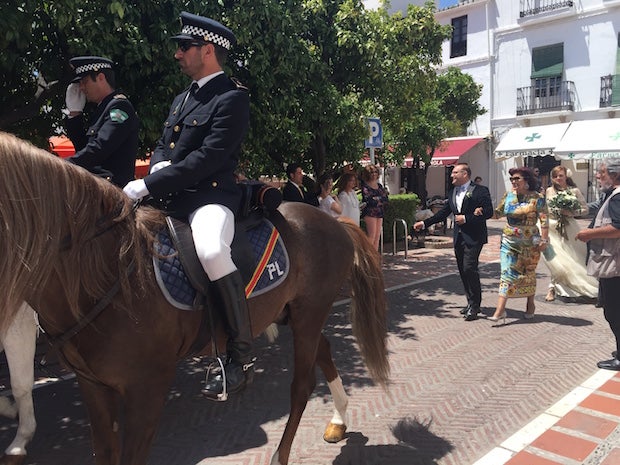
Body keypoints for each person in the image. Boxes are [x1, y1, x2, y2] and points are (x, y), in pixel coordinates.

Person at [122, 12, 252, 400]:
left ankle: (240, 357)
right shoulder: (183, 98)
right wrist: (159, 161)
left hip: (209, 197)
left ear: (207, 50)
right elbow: (166, 144)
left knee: (212, 250)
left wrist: (148, 182)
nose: (177, 55)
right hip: (172, 197)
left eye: (184, 47)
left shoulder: (232, 98)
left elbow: (207, 160)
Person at [413, 163, 493, 321]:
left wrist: (468, 218)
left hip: (474, 236)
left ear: (465, 174)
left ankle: (475, 306)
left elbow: (489, 212)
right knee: (463, 271)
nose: (452, 175)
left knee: (470, 268)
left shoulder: (480, 190)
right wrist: (424, 224)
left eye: (455, 172)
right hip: (459, 237)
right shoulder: (452, 192)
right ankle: (470, 302)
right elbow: (443, 213)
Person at [64, 56, 139, 187]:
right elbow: (83, 148)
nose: (81, 88)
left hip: (112, 191)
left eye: (84, 81)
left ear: (101, 78)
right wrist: (75, 115)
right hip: (97, 187)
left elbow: (100, 147)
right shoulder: (101, 109)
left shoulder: (120, 107)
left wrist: (63, 165)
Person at [489, 167, 549, 323]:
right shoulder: (508, 196)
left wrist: (544, 240)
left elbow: (544, 220)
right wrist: (483, 210)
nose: (513, 182)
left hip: (530, 243)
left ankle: (530, 304)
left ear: (527, 181)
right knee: (506, 272)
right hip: (509, 242)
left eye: (517, 179)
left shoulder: (537, 198)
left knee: (528, 273)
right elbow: (497, 213)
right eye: (512, 179)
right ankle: (500, 310)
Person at [576, 159, 620, 370]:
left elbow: (617, 229)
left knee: (613, 311)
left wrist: (588, 233)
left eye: (602, 172)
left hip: (615, 264)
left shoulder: (617, 197)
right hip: (613, 262)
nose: (598, 176)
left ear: (615, 174)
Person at [543, 166, 597, 302]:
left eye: (560, 175)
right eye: (555, 176)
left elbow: (584, 209)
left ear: (566, 176)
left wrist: (570, 212)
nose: (558, 179)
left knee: (573, 258)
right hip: (552, 229)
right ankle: (552, 288)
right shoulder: (549, 191)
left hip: (569, 227)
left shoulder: (574, 191)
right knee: (556, 260)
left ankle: (572, 286)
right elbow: (545, 209)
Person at [360, 165, 389, 250]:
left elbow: (385, 199)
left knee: (377, 237)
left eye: (375, 172)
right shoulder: (365, 186)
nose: (374, 174)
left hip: (379, 212)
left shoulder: (379, 186)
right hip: (370, 213)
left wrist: (377, 199)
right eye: (371, 172)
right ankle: (368, 256)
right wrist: (379, 199)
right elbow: (369, 200)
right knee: (371, 236)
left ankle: (375, 257)